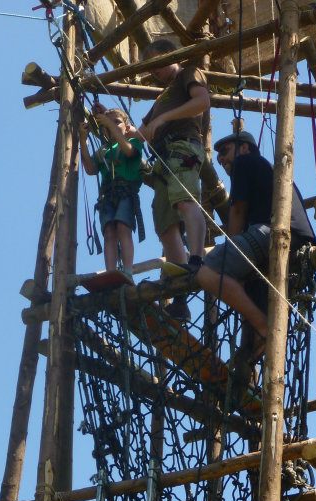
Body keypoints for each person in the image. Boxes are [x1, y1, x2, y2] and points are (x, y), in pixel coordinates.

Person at [195, 131, 316, 358]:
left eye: (225, 151)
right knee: (247, 282)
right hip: (297, 240)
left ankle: (263, 327)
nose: (221, 159)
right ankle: (257, 341)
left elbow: (238, 211)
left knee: (208, 272)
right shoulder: (266, 170)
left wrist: (231, 248)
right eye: (219, 156)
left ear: (244, 148)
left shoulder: (245, 162)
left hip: (276, 233)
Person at [138, 39, 210, 319]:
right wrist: (106, 125)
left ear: (171, 55)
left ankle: (197, 259)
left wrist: (163, 119)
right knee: (165, 225)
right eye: (151, 67)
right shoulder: (160, 98)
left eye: (158, 63)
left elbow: (201, 102)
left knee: (184, 203)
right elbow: (140, 134)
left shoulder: (188, 73)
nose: (155, 71)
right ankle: (180, 292)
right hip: (164, 160)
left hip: (183, 147)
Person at [79, 106, 145, 277]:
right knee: (109, 232)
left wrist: (108, 121)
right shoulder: (104, 150)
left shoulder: (133, 143)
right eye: (109, 125)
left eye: (118, 122)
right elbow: (90, 168)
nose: (112, 126)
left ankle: (128, 270)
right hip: (107, 195)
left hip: (125, 192)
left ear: (127, 127)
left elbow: (129, 151)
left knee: (123, 227)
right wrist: (83, 140)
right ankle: (111, 272)